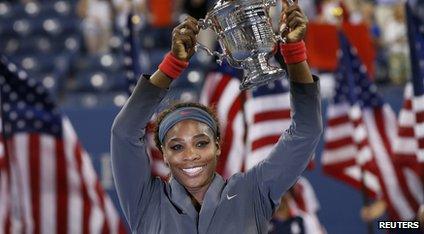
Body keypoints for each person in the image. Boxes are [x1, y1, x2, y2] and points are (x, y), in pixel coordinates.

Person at [110, 0, 323, 233]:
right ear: (164, 155)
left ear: (218, 146)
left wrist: (294, 52)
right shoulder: (146, 203)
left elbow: (307, 130)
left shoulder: (252, 192)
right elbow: (124, 132)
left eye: (201, 143)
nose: (190, 155)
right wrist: (172, 64)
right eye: (177, 147)